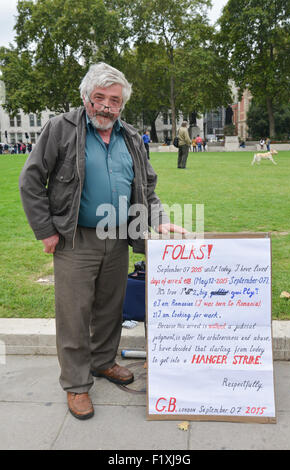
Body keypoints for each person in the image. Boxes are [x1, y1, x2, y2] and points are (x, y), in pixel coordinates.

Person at [19, 62, 186, 420]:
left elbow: (147, 188)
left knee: (111, 308)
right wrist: (46, 230)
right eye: (100, 98)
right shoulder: (60, 129)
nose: (107, 106)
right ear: (86, 98)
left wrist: (160, 220)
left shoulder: (130, 137)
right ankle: (77, 384)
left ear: (122, 104)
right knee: (74, 313)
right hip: (75, 237)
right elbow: (31, 181)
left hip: (119, 234)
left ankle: (102, 362)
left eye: (115, 100)